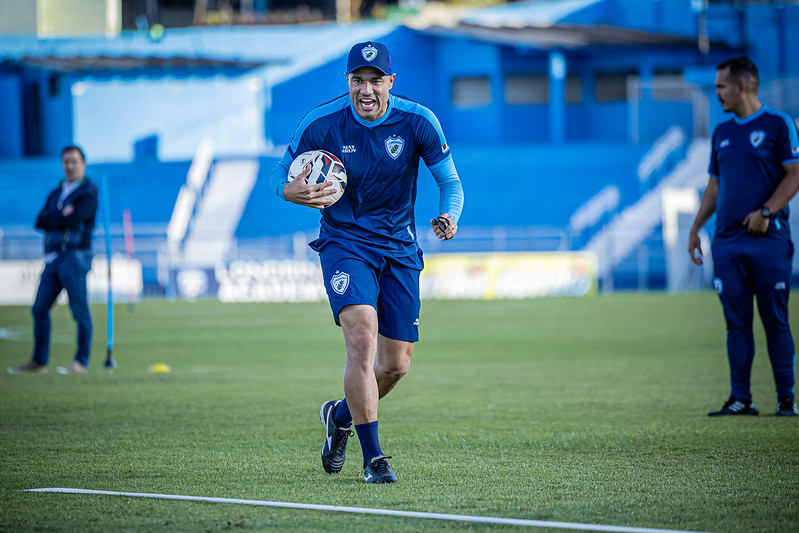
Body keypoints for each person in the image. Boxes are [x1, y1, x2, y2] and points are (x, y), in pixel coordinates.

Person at [269, 41, 464, 482]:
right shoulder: (321, 123)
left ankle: (339, 417)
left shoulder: (418, 121)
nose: (367, 90)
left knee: (396, 365)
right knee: (361, 337)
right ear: (348, 81)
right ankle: (373, 459)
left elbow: (450, 182)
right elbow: (278, 174)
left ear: (390, 81)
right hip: (345, 243)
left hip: (399, 249)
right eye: (358, 80)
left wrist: (449, 216)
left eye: (376, 81)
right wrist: (287, 190)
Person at [688, 57, 799, 417]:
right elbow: (714, 187)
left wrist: (766, 212)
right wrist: (695, 228)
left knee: (775, 320)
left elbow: (795, 174)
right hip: (727, 242)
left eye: (721, 87)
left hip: (768, 241)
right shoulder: (722, 132)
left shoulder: (778, 124)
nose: (717, 93)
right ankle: (741, 399)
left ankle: (786, 400)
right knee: (736, 324)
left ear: (742, 86)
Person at [8, 145, 98, 375]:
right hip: (53, 258)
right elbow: (40, 221)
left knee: (79, 310)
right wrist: (62, 215)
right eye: (66, 161)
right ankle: (39, 361)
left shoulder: (88, 192)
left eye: (74, 161)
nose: (70, 166)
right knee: (39, 308)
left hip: (75, 257)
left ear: (83, 164)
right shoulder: (56, 193)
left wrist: (57, 218)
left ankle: (81, 361)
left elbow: (77, 218)